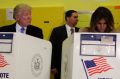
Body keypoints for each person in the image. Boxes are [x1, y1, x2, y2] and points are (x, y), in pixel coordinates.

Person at [50, 10, 79, 79]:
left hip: (76, 66)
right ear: (68, 18)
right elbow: (52, 48)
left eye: (77, 17)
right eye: (75, 17)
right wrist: (53, 66)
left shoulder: (79, 31)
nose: (77, 19)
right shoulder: (57, 31)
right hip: (60, 66)